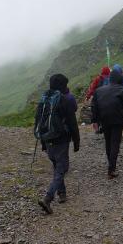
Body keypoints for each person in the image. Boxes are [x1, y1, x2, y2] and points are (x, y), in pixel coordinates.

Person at [36, 74, 80, 214]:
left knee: (56, 166)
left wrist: (43, 142)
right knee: (62, 168)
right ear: (62, 86)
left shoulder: (43, 100)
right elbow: (73, 123)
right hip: (61, 140)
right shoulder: (64, 100)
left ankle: (62, 193)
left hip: (48, 139)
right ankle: (48, 198)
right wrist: (76, 141)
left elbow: (39, 122)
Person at [91, 69, 123, 178]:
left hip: (104, 120)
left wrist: (94, 121)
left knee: (108, 142)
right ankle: (111, 168)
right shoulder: (122, 90)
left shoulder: (99, 91)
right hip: (117, 120)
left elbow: (94, 107)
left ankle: (111, 164)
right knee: (115, 143)